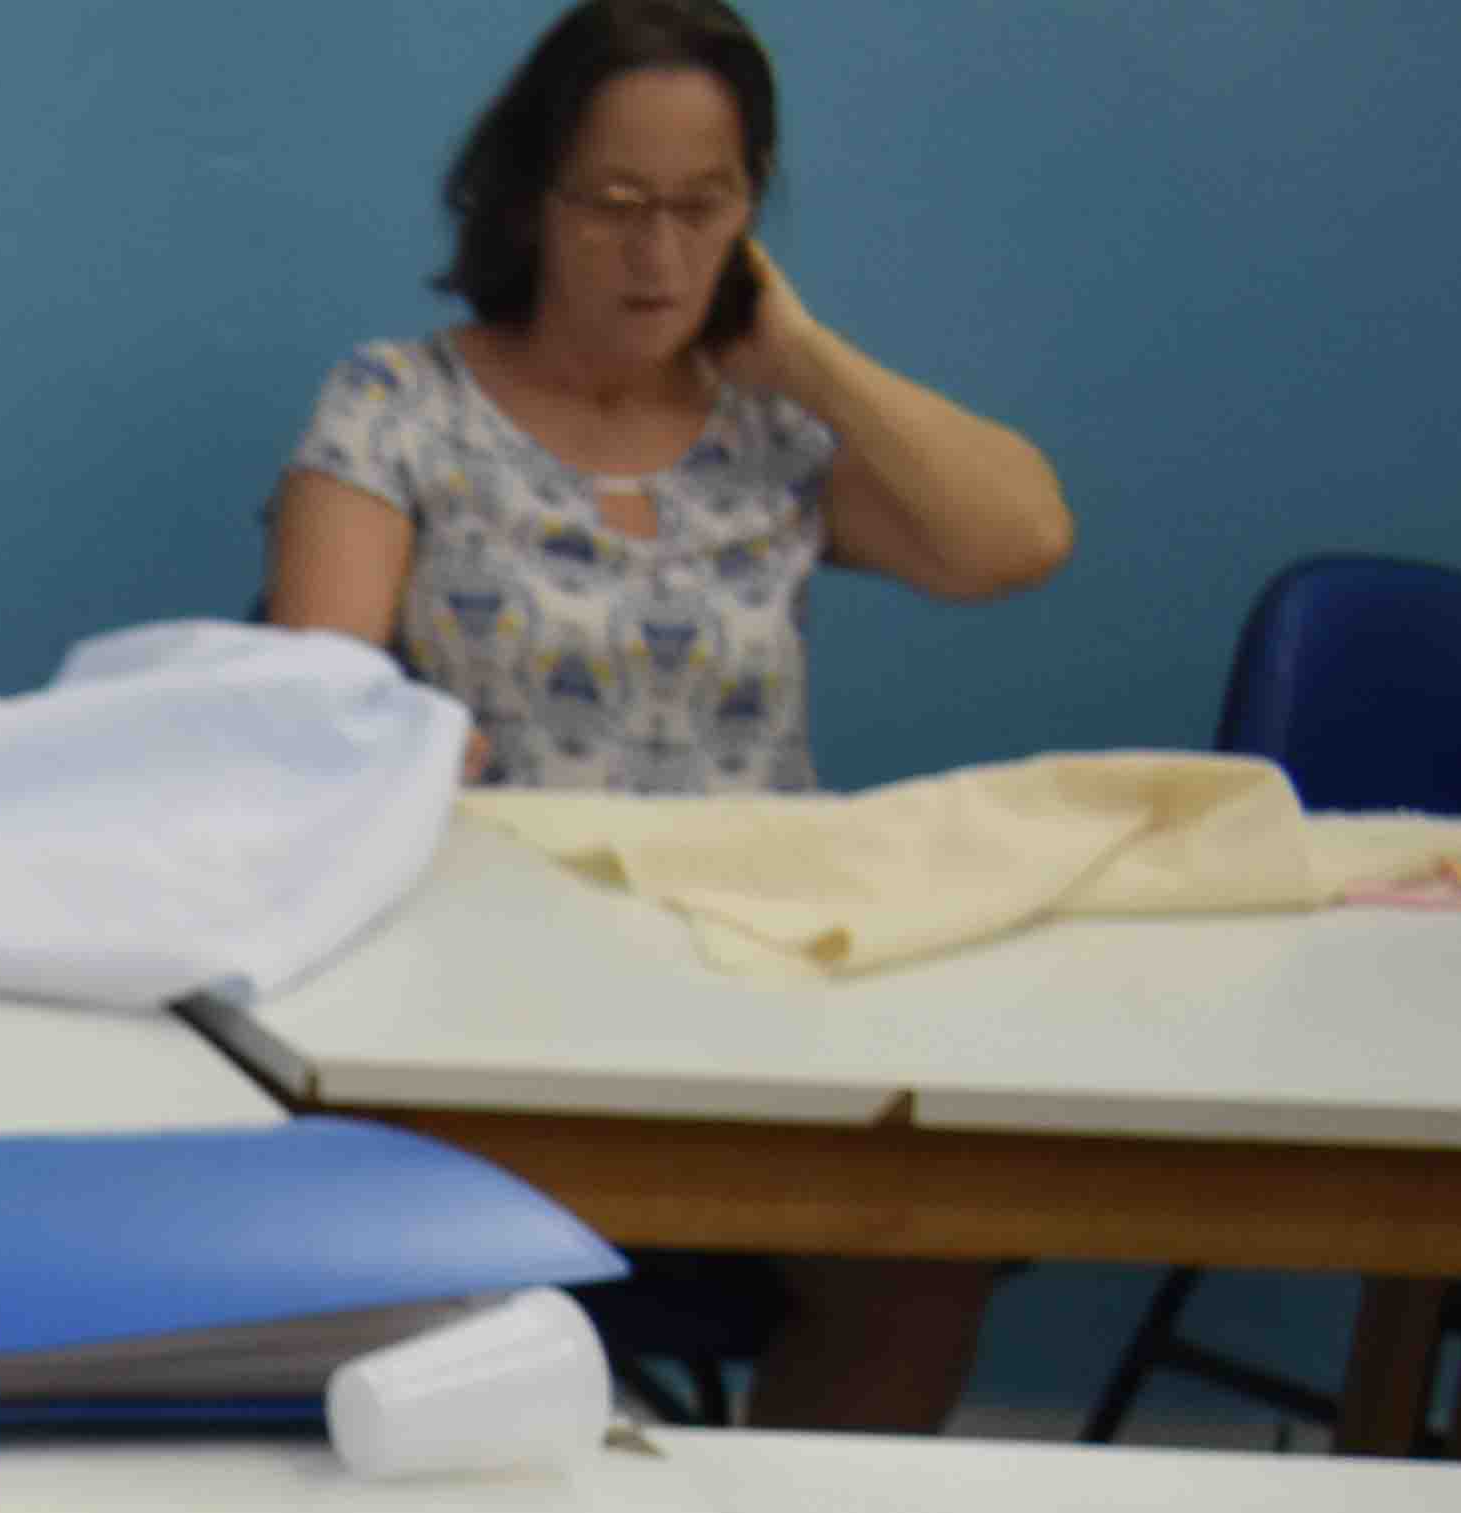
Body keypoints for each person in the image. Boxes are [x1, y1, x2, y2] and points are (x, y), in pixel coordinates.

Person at [264, 0, 1072, 1430]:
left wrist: (807, 356)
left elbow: (1017, 544)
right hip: (490, 1000)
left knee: (930, 1254)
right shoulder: (400, 405)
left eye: (702, 209)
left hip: (755, 993)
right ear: (527, 198)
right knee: (409, 1273)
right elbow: (313, 698)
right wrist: (399, 739)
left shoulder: (772, 439)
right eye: (615, 206)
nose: (656, 257)